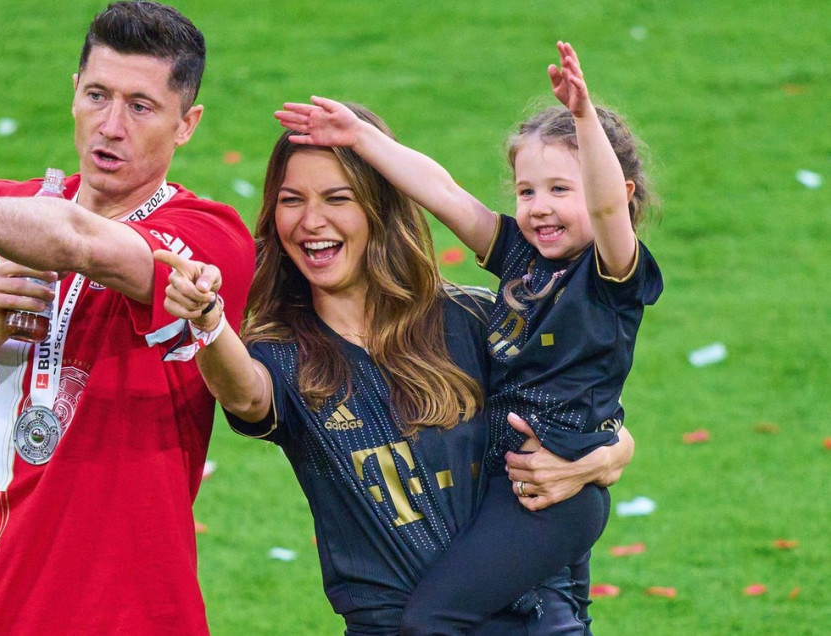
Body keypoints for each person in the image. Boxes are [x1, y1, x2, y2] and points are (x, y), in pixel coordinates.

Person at [0, 2, 254, 634]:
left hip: (132, 616)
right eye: (97, 95)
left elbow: (78, 243)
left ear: (186, 124)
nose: (110, 126)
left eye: (140, 106)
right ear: (73, 96)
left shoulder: (206, 236)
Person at [153, 100, 636, 635]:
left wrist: (604, 455)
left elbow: (584, 411)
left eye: (338, 198)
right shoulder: (281, 352)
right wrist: (209, 324)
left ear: (379, 209)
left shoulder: (473, 318)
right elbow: (244, 395)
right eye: (292, 200)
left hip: (532, 620)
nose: (311, 221)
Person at [274, 42, 662, 633]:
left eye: (562, 189)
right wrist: (360, 137)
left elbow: (609, 207)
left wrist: (585, 118)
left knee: (431, 619)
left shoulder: (610, 278)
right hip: (517, 480)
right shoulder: (521, 261)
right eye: (528, 191)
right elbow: (445, 193)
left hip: (555, 491)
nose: (539, 208)